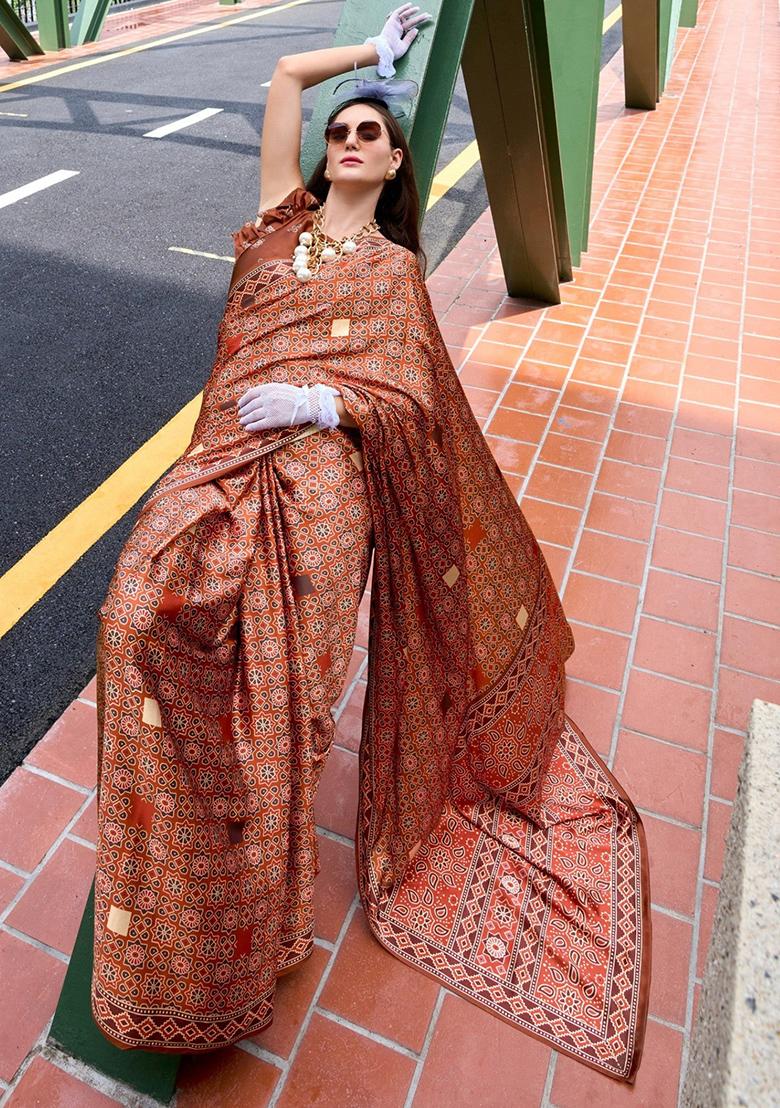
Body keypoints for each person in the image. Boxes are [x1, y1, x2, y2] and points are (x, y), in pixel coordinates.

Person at [91, 4, 651, 1082]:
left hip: (327, 484)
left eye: (371, 135)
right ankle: (173, 884)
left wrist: (324, 401)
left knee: (292, 701)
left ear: (396, 164)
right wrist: (369, 60)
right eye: (342, 132)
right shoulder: (274, 222)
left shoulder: (394, 273)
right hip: (223, 468)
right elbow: (285, 80)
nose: (350, 142)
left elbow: (407, 401)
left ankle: (250, 925)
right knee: (131, 622)